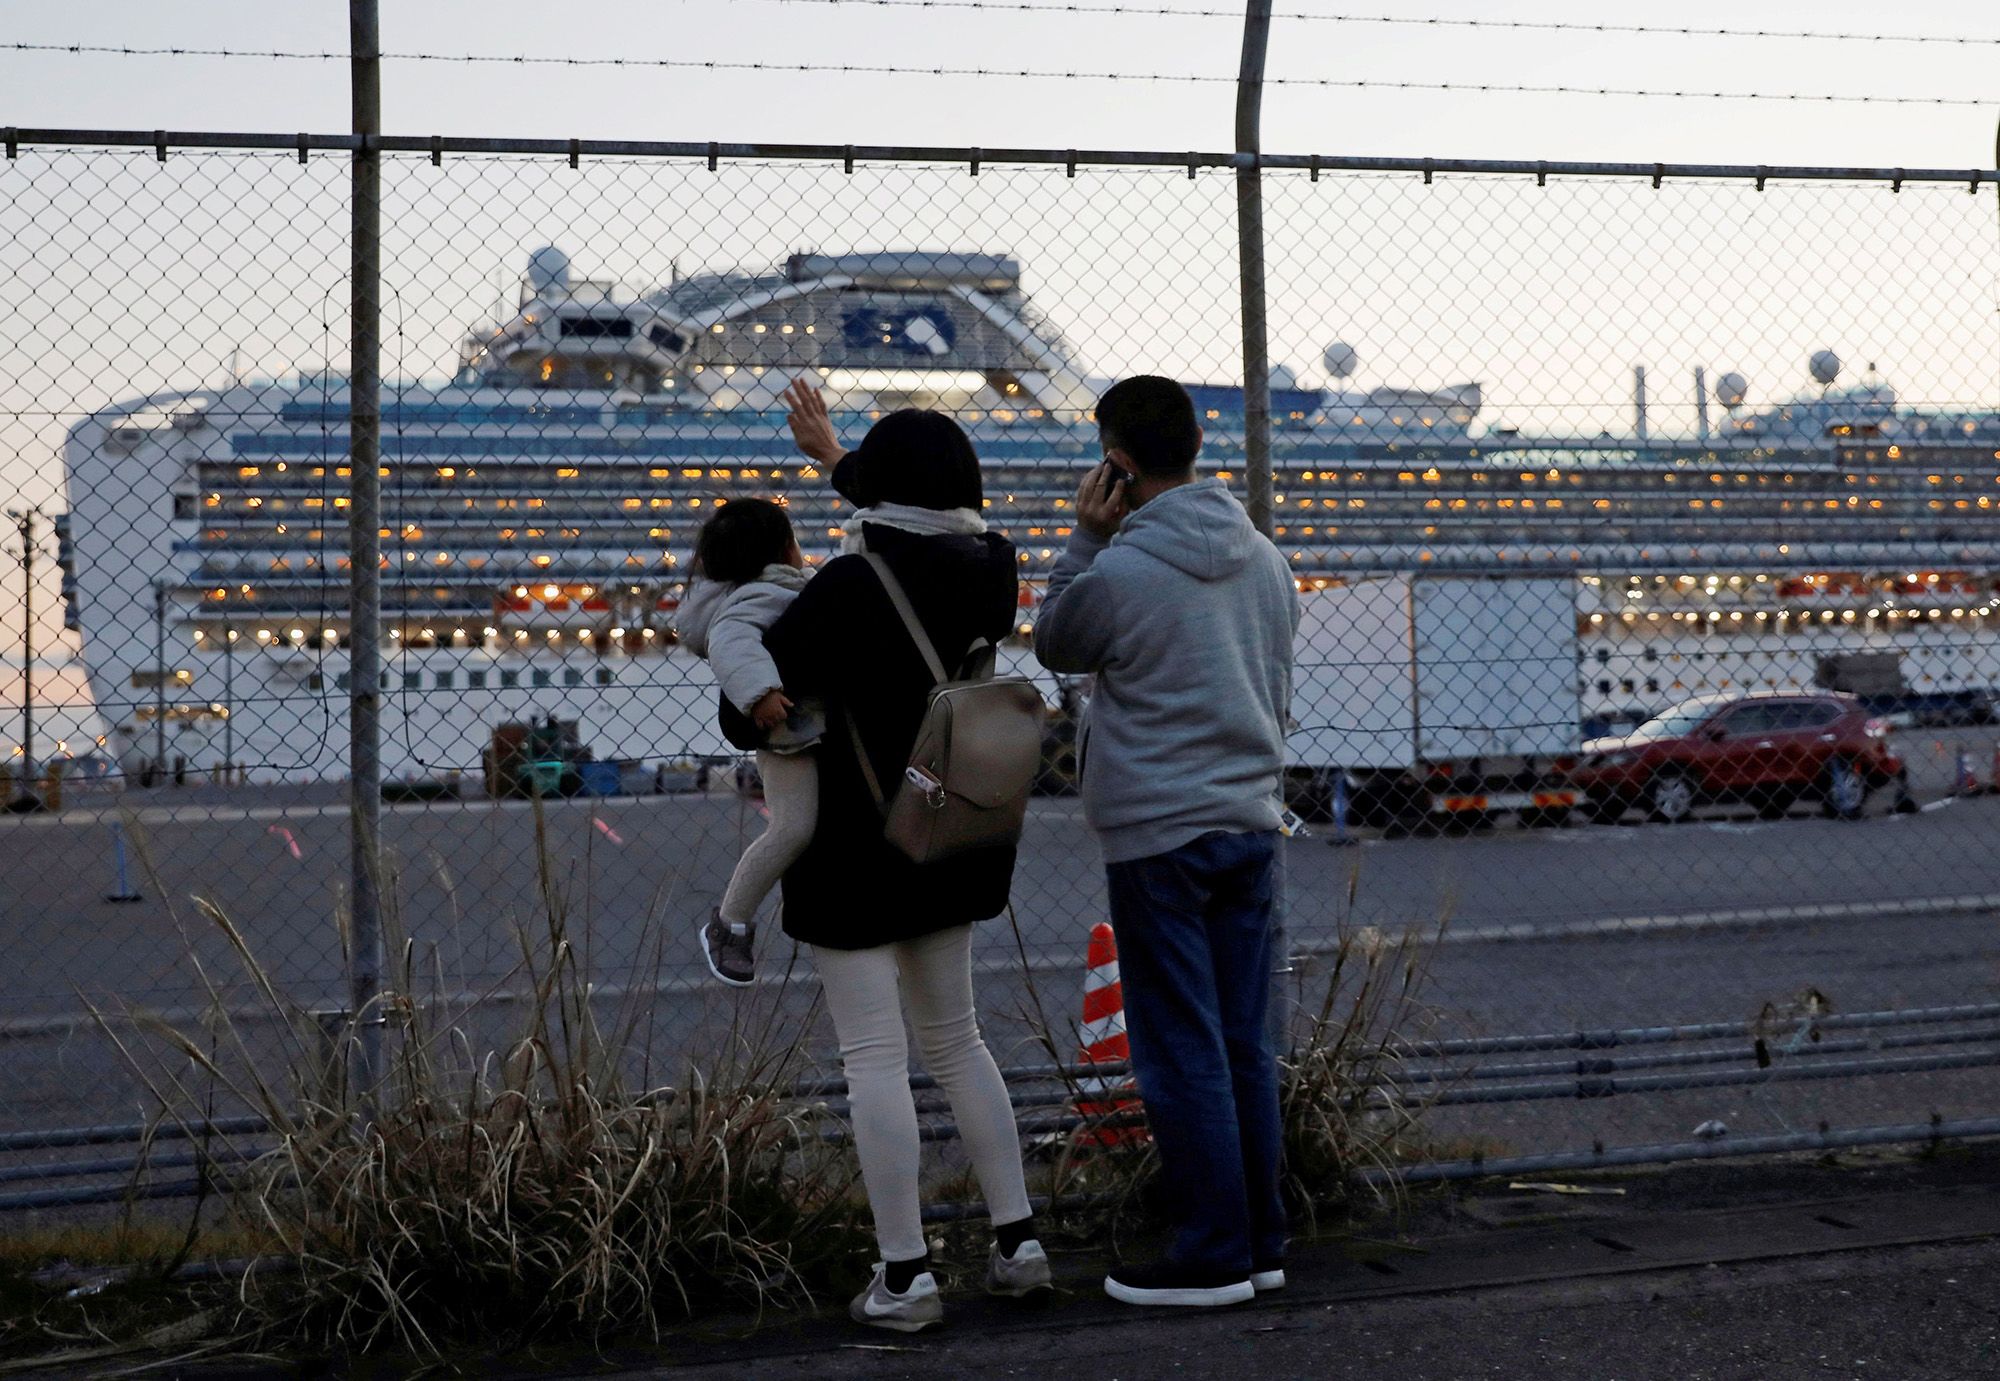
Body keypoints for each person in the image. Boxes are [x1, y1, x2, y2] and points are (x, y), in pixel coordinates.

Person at [763, 380, 1051, 1332]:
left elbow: (752, 708)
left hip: (855, 850)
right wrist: (839, 465)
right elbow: (920, 522)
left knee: (874, 1056)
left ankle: (905, 1275)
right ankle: (1018, 1245)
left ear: (876, 500)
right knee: (957, 1040)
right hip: (950, 834)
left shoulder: (844, 589)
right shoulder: (994, 572)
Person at [1033, 374, 1299, 1309]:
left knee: (1178, 1044)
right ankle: (1260, 1241)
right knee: (1243, 1043)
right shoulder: (1267, 560)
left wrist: (1084, 535)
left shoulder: (1119, 571)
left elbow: (1054, 640)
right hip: (1250, 823)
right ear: (1197, 443)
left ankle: (1212, 1252)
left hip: (1159, 833)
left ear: (1118, 460)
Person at [675, 498, 822, 986]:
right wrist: (759, 693)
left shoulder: (766, 590)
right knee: (793, 828)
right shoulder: (759, 596)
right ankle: (729, 924)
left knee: (804, 827)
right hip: (786, 738)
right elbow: (731, 642)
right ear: (782, 550)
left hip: (803, 734)